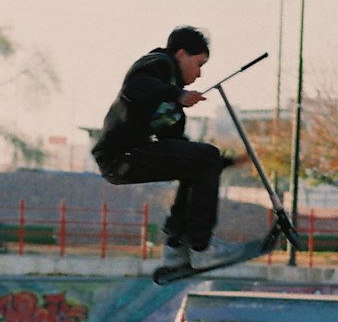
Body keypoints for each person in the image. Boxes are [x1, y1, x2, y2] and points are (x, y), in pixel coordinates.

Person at [92, 26, 245, 269]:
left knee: (198, 162)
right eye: (199, 64)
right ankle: (202, 247)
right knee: (205, 157)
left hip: (129, 158)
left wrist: (226, 162)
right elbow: (135, 87)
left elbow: (177, 150)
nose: (199, 74)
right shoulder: (158, 63)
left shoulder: (171, 105)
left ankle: (176, 248)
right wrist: (178, 94)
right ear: (181, 54)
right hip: (120, 155)